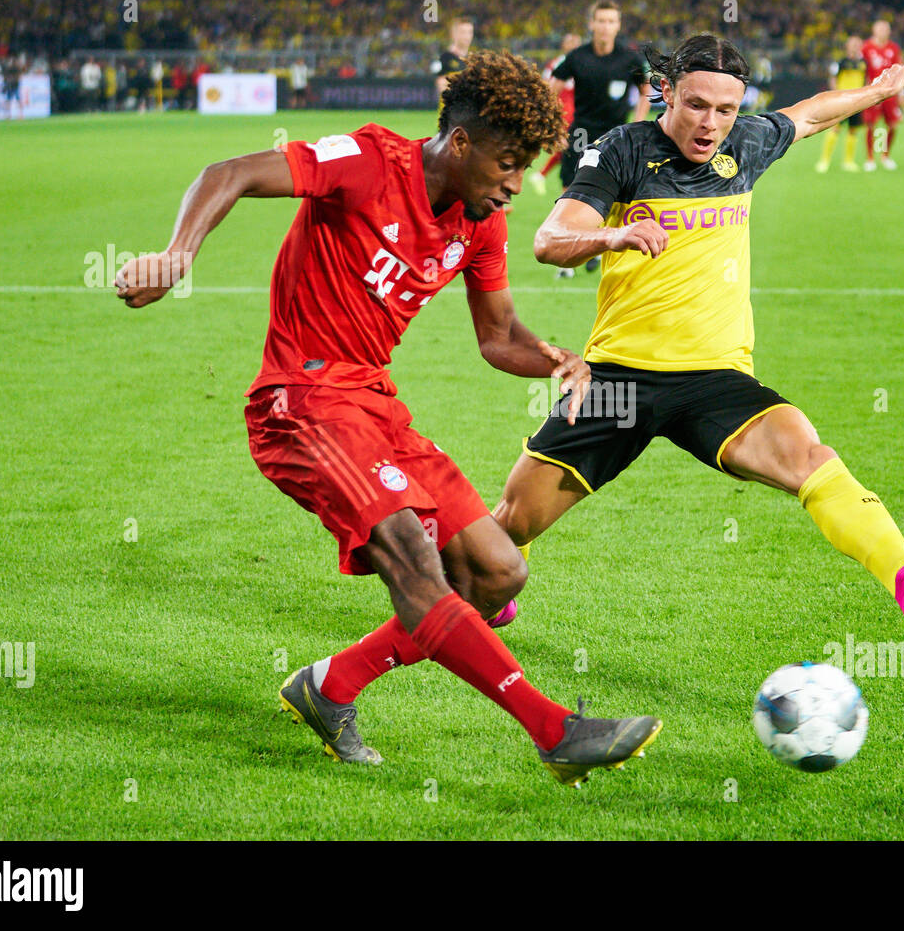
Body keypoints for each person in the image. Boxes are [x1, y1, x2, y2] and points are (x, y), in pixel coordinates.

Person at [112, 51, 661, 787]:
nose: (514, 183)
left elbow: (498, 337)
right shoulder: (368, 161)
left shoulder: (480, 223)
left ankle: (330, 684)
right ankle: (554, 728)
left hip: (374, 405)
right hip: (299, 402)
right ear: (460, 143)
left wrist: (557, 357)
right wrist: (176, 255)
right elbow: (230, 172)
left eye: (526, 166)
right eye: (507, 162)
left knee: (498, 571)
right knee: (415, 560)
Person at [492, 33, 904, 638]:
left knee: (811, 457)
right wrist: (612, 236)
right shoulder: (624, 149)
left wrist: (876, 91)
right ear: (667, 93)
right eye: (697, 105)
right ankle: (486, 584)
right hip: (621, 378)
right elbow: (549, 241)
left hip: (715, 377)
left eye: (726, 109)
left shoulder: (746, 145)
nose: (711, 124)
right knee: (511, 528)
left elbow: (808, 113)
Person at [548, 0, 651, 275]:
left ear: (618, 25)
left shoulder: (628, 58)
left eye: (611, 21)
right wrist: (555, 127)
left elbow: (646, 88)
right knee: (569, 189)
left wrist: (638, 123)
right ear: (592, 24)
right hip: (580, 132)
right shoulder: (578, 56)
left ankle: (597, 245)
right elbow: (551, 90)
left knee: (617, 195)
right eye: (601, 21)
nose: (605, 27)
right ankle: (567, 259)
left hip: (615, 137)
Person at [528, 32, 582, 196]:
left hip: (579, 114)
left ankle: (542, 175)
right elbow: (546, 88)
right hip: (564, 114)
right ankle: (566, 190)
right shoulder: (557, 64)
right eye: (570, 42)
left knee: (572, 150)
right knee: (569, 149)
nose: (573, 45)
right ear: (564, 45)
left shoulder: (583, 63)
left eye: (576, 42)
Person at [815, 36, 865, 173]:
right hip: (842, 100)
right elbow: (832, 78)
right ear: (847, 46)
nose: (855, 46)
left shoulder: (863, 63)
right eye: (853, 44)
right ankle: (824, 160)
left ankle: (848, 162)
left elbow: (865, 80)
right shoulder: (841, 62)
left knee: (853, 130)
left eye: (857, 44)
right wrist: (835, 95)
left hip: (857, 101)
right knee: (835, 128)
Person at [862, 20, 903, 170]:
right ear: (874, 30)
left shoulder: (893, 48)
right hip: (873, 91)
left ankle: (885, 155)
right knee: (871, 124)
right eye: (880, 28)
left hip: (890, 92)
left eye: (886, 29)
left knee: (892, 125)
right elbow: (862, 69)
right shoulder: (866, 47)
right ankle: (870, 158)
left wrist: (902, 91)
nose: (883, 31)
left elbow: (900, 70)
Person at [432, 17, 473, 98]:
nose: (467, 36)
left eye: (470, 32)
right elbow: (441, 84)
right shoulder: (446, 58)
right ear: (454, 34)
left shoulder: (472, 59)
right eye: (463, 32)